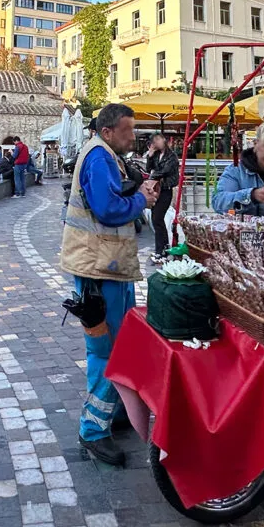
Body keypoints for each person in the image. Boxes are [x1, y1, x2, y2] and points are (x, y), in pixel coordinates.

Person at [60, 103, 158, 467]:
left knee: (112, 345)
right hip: (100, 268)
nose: (133, 136)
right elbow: (107, 209)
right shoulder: (100, 158)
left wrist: (134, 190)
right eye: (128, 129)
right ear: (107, 131)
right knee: (109, 349)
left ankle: (115, 411)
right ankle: (93, 428)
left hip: (106, 265)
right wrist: (141, 200)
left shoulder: (102, 155)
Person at [145, 133, 180, 264]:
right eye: (154, 140)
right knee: (156, 220)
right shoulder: (155, 155)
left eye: (159, 139)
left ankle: (162, 250)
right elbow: (149, 169)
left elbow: (165, 171)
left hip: (165, 190)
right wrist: (149, 155)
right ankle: (161, 249)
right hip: (156, 190)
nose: (157, 142)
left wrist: (153, 177)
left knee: (157, 218)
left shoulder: (171, 156)